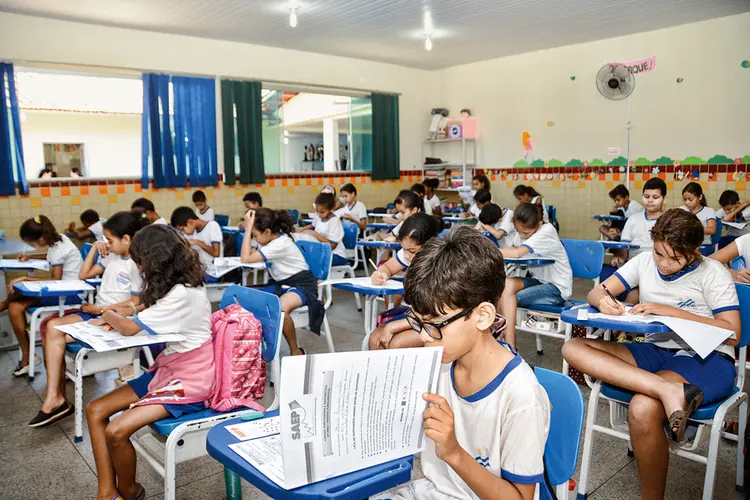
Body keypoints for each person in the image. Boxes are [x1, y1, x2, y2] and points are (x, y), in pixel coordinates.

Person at [562, 209, 741, 500]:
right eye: (659, 253)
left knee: (643, 408)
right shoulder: (644, 261)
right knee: (573, 348)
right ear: (653, 241)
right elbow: (598, 293)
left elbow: (733, 333)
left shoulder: (712, 273)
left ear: (695, 252)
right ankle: (666, 389)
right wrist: (604, 301)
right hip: (656, 351)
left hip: (704, 358)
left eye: (676, 258)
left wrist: (673, 312)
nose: (664, 264)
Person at [375, 227, 551, 500]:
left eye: (433, 325)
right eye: (418, 322)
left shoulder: (521, 395)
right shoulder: (440, 360)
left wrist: (454, 452)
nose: (422, 336)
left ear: (482, 316)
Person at [85, 224, 214, 500]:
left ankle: (131, 492)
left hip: (191, 381)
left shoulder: (184, 294)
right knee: (95, 410)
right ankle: (107, 492)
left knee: (117, 430)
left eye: (139, 261)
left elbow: (130, 329)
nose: (139, 267)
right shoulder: (179, 286)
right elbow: (142, 312)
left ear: (152, 260)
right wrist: (125, 313)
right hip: (171, 368)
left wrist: (107, 314)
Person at [30, 212, 145, 428]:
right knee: (51, 326)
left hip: (111, 317)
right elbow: (83, 275)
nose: (106, 244)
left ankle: (56, 399)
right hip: (96, 311)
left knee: (56, 336)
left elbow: (135, 304)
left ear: (127, 239)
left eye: (110, 240)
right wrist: (93, 248)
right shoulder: (112, 255)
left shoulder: (136, 265)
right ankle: (55, 396)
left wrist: (102, 309)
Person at [0, 216, 83, 377]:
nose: (32, 247)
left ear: (41, 238)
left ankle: (27, 356)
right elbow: (51, 255)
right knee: (14, 306)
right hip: (60, 290)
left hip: (69, 295)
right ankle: (28, 356)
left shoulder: (59, 248)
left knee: (15, 300)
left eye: (32, 244)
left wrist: (24, 278)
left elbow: (55, 279)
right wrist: (31, 257)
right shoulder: (58, 240)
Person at [241, 208, 323, 356]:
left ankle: (295, 351)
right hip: (282, 284)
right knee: (245, 298)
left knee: (281, 309)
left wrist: (247, 229)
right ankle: (259, 347)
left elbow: (245, 258)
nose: (254, 238)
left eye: (255, 235)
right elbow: (249, 256)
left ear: (267, 232)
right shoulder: (272, 239)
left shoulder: (280, 243)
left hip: (302, 285)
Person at [498, 203, 573, 348]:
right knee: (504, 285)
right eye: (518, 232)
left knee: (507, 299)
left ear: (539, 224)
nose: (521, 236)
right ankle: (503, 342)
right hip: (540, 282)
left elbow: (517, 253)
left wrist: (485, 250)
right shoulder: (524, 232)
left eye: (525, 233)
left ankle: (510, 346)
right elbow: (512, 248)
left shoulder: (547, 231)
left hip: (557, 289)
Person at [368, 213, 442, 351]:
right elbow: (389, 267)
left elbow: (436, 310)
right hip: (418, 315)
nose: (407, 255)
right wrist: (382, 273)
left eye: (412, 251)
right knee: (375, 338)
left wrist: (394, 326)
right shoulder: (411, 253)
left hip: (438, 319)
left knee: (396, 344)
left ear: (432, 244)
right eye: (404, 249)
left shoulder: (441, 262)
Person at [610, 177, 667, 267]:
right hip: (635, 266)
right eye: (646, 196)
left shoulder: (669, 221)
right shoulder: (633, 220)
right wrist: (620, 257)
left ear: (664, 199)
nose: (650, 200)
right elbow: (624, 249)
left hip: (660, 267)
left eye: (655, 197)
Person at [170, 207, 223, 278]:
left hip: (213, 272)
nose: (183, 232)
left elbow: (216, 253)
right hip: (201, 270)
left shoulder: (212, 226)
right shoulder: (193, 231)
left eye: (182, 229)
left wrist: (198, 242)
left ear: (190, 222)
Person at [298, 193, 348, 266]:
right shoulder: (319, 218)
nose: (318, 214)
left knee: (308, 261)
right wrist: (301, 230)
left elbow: (332, 246)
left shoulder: (334, 221)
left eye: (322, 212)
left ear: (331, 209)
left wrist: (315, 234)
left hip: (336, 255)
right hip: (322, 252)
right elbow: (312, 227)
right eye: (317, 211)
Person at [680, 182, 716, 246]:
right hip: (685, 244)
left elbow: (712, 229)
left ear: (700, 197)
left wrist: (692, 228)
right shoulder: (681, 210)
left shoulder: (709, 211)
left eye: (690, 199)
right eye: (684, 199)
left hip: (704, 244)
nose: (687, 202)